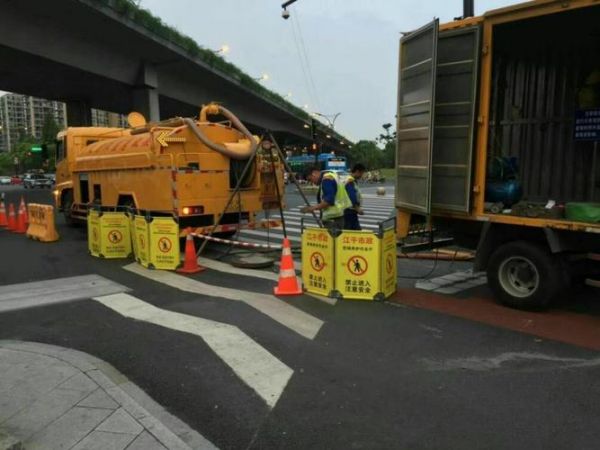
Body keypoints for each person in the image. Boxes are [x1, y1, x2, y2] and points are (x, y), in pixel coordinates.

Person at [344, 163, 366, 230]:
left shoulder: (352, 180)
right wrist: (357, 208)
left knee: (354, 231)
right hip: (349, 211)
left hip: (350, 211)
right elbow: (351, 196)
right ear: (357, 171)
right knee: (352, 231)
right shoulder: (350, 181)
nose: (362, 176)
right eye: (361, 173)